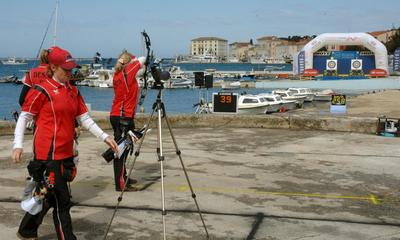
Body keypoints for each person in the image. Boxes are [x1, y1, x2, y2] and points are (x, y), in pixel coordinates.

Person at [12, 46, 118, 240]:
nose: (70, 73)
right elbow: (25, 116)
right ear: (53, 67)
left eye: (71, 70)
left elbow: (84, 118)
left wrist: (105, 137)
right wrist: (17, 145)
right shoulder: (41, 89)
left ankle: (26, 230)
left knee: (48, 196)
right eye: (66, 70)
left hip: (66, 152)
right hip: (48, 154)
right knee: (62, 201)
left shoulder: (73, 90)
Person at [110, 50, 146, 191]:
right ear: (127, 63)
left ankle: (123, 177)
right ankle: (120, 184)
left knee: (126, 148)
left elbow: (140, 70)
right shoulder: (126, 72)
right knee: (121, 151)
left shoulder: (120, 75)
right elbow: (142, 59)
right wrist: (136, 61)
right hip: (122, 116)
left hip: (121, 115)